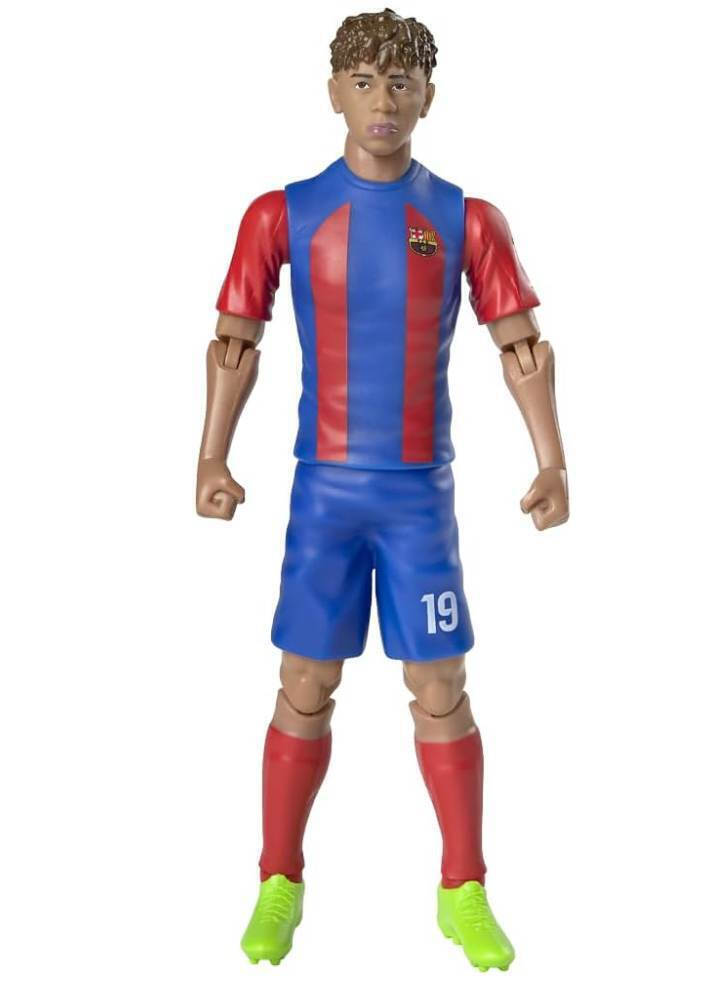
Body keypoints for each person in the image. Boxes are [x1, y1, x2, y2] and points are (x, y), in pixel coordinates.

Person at [196, 7, 568, 971]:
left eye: (400, 82)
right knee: (303, 682)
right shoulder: (281, 212)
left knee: (440, 687)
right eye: (362, 81)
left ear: (427, 97)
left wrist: (551, 458)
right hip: (323, 492)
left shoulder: (465, 217)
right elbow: (236, 337)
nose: (382, 99)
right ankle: (278, 878)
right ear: (333, 93)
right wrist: (210, 455)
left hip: (417, 499)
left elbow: (520, 343)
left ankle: (463, 887)